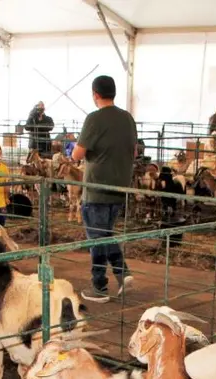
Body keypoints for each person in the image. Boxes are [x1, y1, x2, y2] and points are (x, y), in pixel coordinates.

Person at [72, 75, 137, 303]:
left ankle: (102, 284)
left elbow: (76, 154)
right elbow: (134, 152)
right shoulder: (127, 118)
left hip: (96, 188)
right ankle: (121, 275)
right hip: (119, 189)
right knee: (105, 233)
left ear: (95, 94)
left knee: (97, 238)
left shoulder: (94, 119)